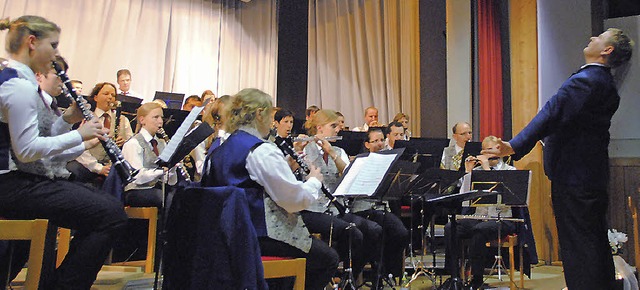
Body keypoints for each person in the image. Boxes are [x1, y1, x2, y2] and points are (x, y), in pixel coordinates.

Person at [482, 28, 634, 290]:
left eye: (599, 37)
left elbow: (551, 112)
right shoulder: (606, 84)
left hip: (573, 177)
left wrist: (514, 145)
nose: (591, 38)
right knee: (593, 244)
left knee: (578, 248)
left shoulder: (586, 80)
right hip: (590, 176)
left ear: (607, 50)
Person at [0, 15, 127, 288]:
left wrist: (67, 121)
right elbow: (27, 151)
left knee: (97, 206)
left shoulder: (16, 81)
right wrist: (79, 134)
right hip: (10, 184)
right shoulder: (18, 87)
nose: (56, 54)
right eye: (53, 45)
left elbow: (41, 142)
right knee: (110, 214)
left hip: (17, 181)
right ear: (32, 43)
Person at [202, 88, 339, 289]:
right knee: (327, 258)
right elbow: (292, 201)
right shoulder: (261, 150)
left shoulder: (219, 149)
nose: (271, 121)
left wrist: (284, 167)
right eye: (270, 115)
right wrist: (314, 181)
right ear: (259, 114)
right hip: (257, 235)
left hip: (225, 235)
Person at [301, 109, 383, 281]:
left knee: (374, 229)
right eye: (333, 126)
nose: (338, 130)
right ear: (320, 128)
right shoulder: (304, 149)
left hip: (337, 208)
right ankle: (339, 275)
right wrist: (297, 151)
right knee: (354, 233)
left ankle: (351, 276)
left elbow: (348, 174)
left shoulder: (337, 150)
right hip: (312, 209)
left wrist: (331, 152)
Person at [444, 136, 517, 289]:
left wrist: (486, 169)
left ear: (499, 151)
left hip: (502, 218)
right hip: (479, 217)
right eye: (485, 150)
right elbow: (465, 199)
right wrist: (468, 172)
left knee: (479, 230)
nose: (487, 154)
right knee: (451, 227)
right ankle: (455, 277)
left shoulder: (510, 171)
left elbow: (502, 199)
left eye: (491, 150)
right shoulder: (476, 171)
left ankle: (477, 279)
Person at [352, 127, 409, 281]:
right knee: (376, 232)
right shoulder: (360, 161)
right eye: (375, 141)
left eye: (382, 140)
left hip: (381, 207)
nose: (379, 144)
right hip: (362, 207)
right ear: (367, 144)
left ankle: (387, 272)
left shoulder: (390, 162)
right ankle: (376, 271)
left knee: (401, 233)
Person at [67, 82, 134, 186]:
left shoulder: (123, 120)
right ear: (96, 97)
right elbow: (80, 149)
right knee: (73, 169)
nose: (110, 98)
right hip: (89, 164)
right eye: (106, 94)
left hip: (113, 165)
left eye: (113, 95)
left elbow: (131, 145)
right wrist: (98, 168)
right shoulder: (87, 119)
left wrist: (124, 143)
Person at [121, 102, 177, 208]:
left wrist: (172, 168)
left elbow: (169, 181)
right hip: (136, 190)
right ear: (142, 120)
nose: (160, 121)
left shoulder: (161, 143)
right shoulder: (133, 143)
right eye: (156, 117)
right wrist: (161, 171)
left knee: (180, 195)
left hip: (157, 187)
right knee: (167, 198)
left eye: (161, 117)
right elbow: (137, 177)